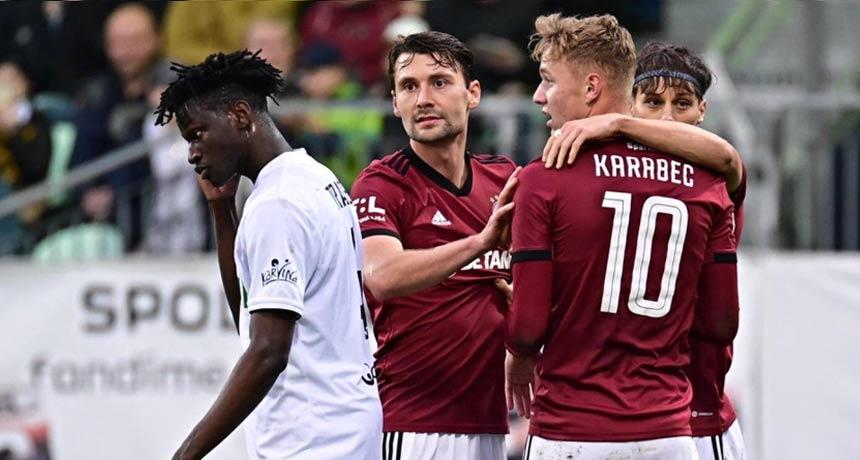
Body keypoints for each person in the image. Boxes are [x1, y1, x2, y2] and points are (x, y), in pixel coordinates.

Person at [505, 14, 739, 459]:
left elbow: (528, 328)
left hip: (569, 429)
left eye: (548, 80)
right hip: (670, 430)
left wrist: (518, 345)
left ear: (592, 88)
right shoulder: (706, 183)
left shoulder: (543, 179)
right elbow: (721, 322)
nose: (538, 95)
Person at [154, 49, 381, 460]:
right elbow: (249, 318)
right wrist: (222, 211)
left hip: (314, 438)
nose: (192, 153)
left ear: (241, 116)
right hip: (343, 422)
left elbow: (267, 352)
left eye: (198, 134)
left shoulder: (278, 204)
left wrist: (186, 453)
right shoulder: (314, 176)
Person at [350, 31, 519, 459]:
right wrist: (481, 242)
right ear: (395, 103)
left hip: (492, 425)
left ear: (472, 93)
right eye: (409, 87)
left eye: (439, 82)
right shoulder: (382, 183)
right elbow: (382, 276)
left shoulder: (506, 179)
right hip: (414, 426)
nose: (423, 99)